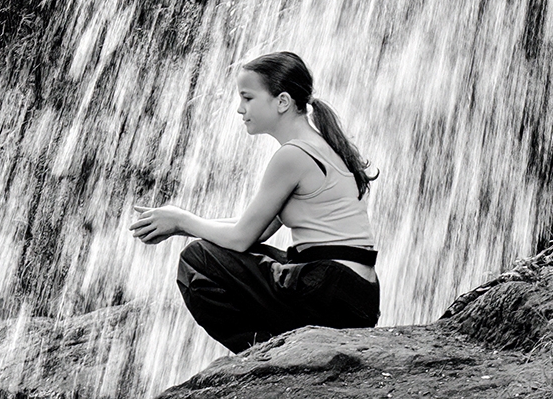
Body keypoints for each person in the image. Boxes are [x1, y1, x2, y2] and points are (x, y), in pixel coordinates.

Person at [129, 51, 379, 352]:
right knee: (221, 250)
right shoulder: (322, 146)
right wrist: (179, 223)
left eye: (247, 98)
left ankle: (263, 355)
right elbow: (254, 230)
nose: (239, 108)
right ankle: (278, 352)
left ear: (282, 102)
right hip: (357, 295)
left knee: (197, 260)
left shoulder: (293, 155)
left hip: (329, 289)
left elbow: (240, 237)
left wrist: (182, 219)